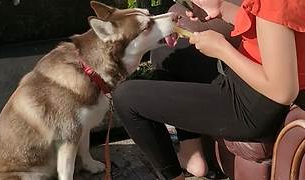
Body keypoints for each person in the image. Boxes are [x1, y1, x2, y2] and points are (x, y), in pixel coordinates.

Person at [113, 0, 305, 179]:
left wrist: (223, 50)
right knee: (167, 52)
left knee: (126, 98)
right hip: (245, 80)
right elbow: (267, 25)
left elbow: (283, 91)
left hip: (251, 105)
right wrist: (221, 8)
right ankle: (192, 155)